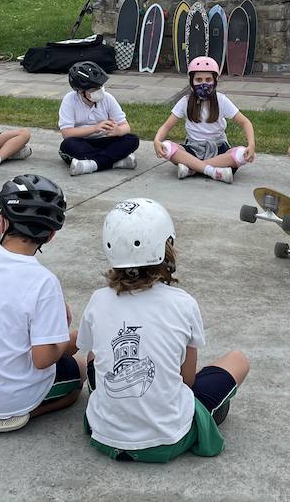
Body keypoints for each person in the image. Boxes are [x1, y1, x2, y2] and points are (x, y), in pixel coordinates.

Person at [78, 198, 250, 462]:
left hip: (103, 435)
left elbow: (94, 355)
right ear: (165, 248)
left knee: (93, 356)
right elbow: (188, 381)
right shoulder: (183, 303)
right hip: (166, 440)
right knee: (238, 360)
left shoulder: (98, 300)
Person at [0, 175, 85, 435]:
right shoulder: (44, 282)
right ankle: (18, 413)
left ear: (2, 221)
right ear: (51, 235)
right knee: (78, 370)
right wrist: (76, 338)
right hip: (7, 395)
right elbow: (43, 360)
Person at [152, 57, 255, 184]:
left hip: (218, 150)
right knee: (167, 147)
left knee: (241, 154)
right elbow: (167, 126)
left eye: (208, 79)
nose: (203, 84)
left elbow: (245, 122)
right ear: (191, 82)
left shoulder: (221, 100)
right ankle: (213, 172)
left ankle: (193, 168)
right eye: (198, 80)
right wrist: (157, 140)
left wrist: (251, 145)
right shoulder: (185, 101)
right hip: (193, 149)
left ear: (215, 80)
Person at [57, 61, 139, 176]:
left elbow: (126, 126)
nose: (99, 91)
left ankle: (92, 165)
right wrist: (95, 128)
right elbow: (66, 133)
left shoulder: (108, 98)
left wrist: (118, 130)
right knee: (67, 145)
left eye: (100, 86)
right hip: (82, 141)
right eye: (93, 89)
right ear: (81, 91)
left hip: (105, 140)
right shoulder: (69, 100)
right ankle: (116, 161)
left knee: (132, 139)